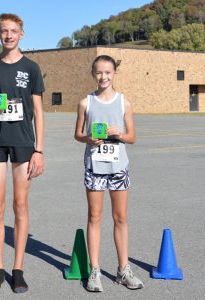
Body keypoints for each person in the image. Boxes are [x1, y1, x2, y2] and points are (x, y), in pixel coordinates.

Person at [0, 13, 45, 294]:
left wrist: (39, 149)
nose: (8, 35)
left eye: (13, 31)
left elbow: (39, 112)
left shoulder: (32, 68)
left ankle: (18, 269)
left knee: (20, 206)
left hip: (24, 143)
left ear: (22, 34)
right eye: (4, 31)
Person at [74, 55, 144, 292]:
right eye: (99, 73)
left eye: (108, 72)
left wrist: (119, 134)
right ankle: (95, 270)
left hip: (118, 168)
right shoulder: (86, 103)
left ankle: (123, 269)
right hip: (95, 167)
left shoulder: (125, 103)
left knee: (121, 217)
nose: (103, 77)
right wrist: (88, 139)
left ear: (114, 73)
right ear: (93, 74)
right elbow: (77, 134)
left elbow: (132, 137)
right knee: (94, 217)